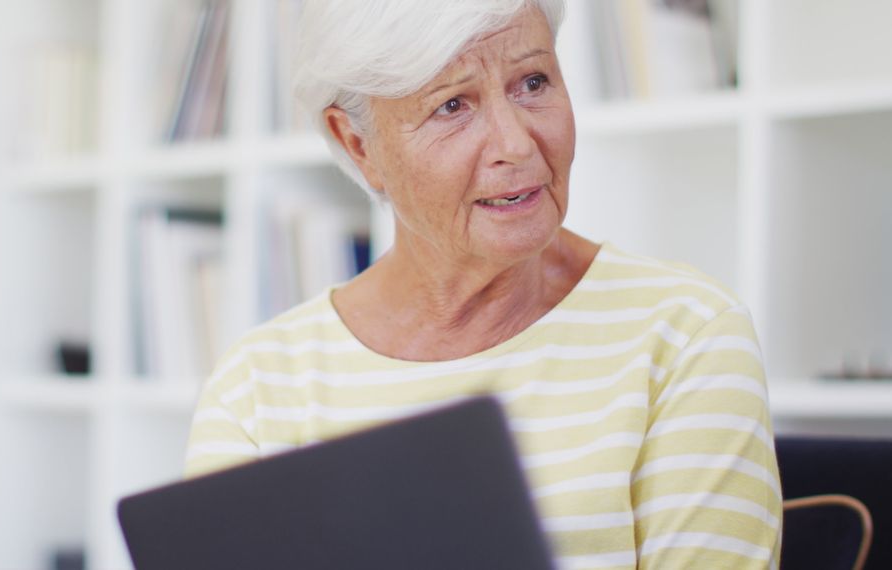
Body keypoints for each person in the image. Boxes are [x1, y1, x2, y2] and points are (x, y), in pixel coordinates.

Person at [185, 1, 782, 567]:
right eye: (453, 106)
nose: (517, 143)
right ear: (358, 145)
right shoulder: (259, 384)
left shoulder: (686, 336)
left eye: (533, 83)